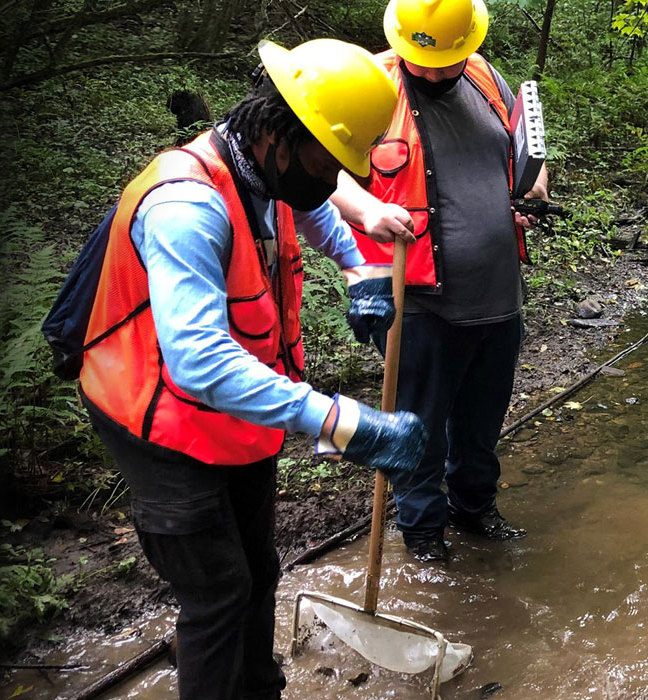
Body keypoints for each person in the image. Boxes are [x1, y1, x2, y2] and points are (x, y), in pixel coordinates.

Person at [78, 39, 425, 699]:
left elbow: (312, 204)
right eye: (328, 163)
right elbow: (201, 361)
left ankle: (259, 688)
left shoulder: (264, 169)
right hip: (153, 413)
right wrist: (341, 420)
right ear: (277, 135)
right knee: (218, 589)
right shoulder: (187, 208)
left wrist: (358, 268)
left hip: (232, 412)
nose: (331, 183)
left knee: (259, 567)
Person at [331, 0, 554, 563]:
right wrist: (365, 210)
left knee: (482, 421)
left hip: (498, 295)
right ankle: (424, 533)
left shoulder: (486, 75)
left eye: (445, 61)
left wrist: (533, 191)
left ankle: (476, 508)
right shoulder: (369, 86)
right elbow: (323, 169)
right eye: (421, 61)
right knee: (418, 426)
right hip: (418, 298)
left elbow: (529, 150)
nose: (432, 73)